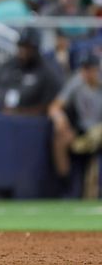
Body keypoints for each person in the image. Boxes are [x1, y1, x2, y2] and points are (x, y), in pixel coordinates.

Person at [48, 52, 102, 194]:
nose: (86, 72)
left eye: (89, 68)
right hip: (82, 131)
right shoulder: (77, 82)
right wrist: (60, 119)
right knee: (60, 138)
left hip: (99, 129)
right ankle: (66, 185)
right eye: (83, 68)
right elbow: (54, 107)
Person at [0, 28, 62, 115]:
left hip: (31, 124)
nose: (23, 51)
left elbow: (53, 105)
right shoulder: (7, 66)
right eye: (21, 46)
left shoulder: (47, 71)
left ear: (35, 48)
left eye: (27, 47)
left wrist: (21, 112)